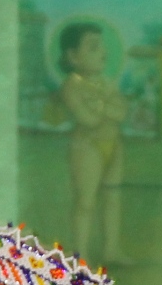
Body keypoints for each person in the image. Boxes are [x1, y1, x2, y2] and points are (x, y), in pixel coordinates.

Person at [54, 23, 127, 262]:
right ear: (73, 56)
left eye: (102, 46)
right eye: (94, 47)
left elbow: (122, 113)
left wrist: (101, 103)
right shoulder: (71, 86)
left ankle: (111, 250)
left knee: (112, 198)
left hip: (113, 144)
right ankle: (80, 255)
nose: (103, 52)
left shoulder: (105, 82)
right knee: (85, 202)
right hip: (86, 147)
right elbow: (88, 119)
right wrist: (106, 105)